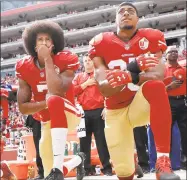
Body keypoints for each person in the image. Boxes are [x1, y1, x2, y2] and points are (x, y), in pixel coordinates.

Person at [88, 2, 180, 180]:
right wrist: (133, 67)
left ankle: (162, 162)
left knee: (155, 87)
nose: (126, 13)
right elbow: (105, 89)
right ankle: (132, 163)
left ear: (138, 18)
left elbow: (159, 76)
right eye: (121, 11)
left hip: (140, 105)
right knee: (124, 173)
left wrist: (130, 76)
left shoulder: (150, 38)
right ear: (115, 19)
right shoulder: (101, 42)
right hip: (115, 111)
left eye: (131, 11)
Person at [16, 20, 85, 180]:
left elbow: (57, 90)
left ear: (54, 44)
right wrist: (45, 104)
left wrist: (47, 60)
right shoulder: (24, 66)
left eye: (48, 40)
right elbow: (23, 107)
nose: (44, 43)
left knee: (53, 99)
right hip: (47, 120)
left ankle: (58, 168)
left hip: (69, 113)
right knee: (49, 173)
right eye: (40, 40)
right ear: (33, 45)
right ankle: (77, 160)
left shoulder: (65, 58)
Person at [73, 54, 112, 176]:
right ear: (83, 63)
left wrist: (106, 106)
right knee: (84, 143)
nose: (88, 63)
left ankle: (107, 168)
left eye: (89, 60)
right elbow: (72, 91)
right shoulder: (79, 77)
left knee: (101, 142)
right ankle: (86, 169)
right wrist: (86, 84)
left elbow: (108, 90)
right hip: (83, 114)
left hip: (98, 111)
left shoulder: (100, 75)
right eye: (85, 61)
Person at [164, 46, 187, 169]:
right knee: (167, 135)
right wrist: (169, 87)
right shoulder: (162, 70)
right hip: (168, 103)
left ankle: (185, 162)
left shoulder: (184, 70)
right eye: (170, 52)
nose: (173, 53)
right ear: (165, 55)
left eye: (175, 51)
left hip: (182, 102)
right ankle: (167, 163)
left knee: (185, 133)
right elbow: (157, 90)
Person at [25, 115, 44, 179]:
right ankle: (41, 172)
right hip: (37, 119)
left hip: (47, 117)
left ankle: (52, 170)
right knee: (39, 148)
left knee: (47, 147)